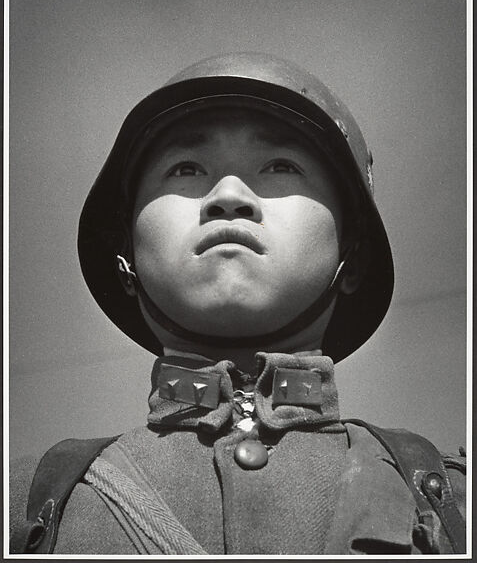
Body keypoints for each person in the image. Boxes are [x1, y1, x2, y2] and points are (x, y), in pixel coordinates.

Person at [10, 52, 466, 555]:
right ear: (127, 259)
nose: (228, 195)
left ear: (351, 256)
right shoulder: (30, 504)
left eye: (280, 166)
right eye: (185, 168)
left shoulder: (450, 502)